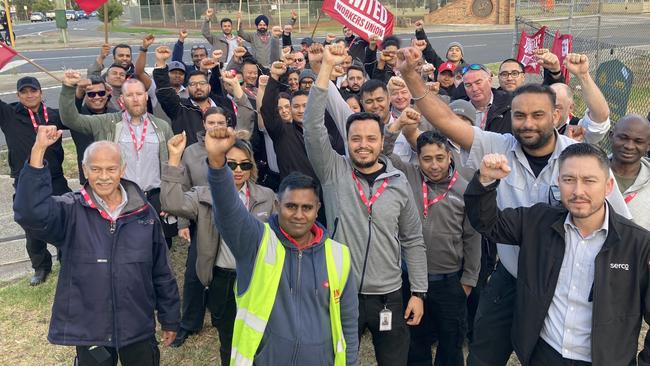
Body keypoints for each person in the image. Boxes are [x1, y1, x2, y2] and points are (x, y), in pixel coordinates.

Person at [396, 46, 630, 366]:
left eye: (538, 115)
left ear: (557, 116)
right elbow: (448, 121)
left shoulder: (577, 158)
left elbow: (623, 224)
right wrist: (411, 77)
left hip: (561, 281)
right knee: (483, 354)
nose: (527, 123)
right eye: (520, 115)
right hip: (510, 275)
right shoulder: (499, 147)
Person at [464, 145, 650, 366]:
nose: (578, 191)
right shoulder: (537, 222)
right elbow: (488, 223)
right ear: (558, 182)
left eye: (589, 180)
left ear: (608, 186)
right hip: (544, 355)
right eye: (569, 179)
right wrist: (485, 181)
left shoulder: (638, 244)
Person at [13, 128, 180, 366]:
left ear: (122, 170)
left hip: (137, 324)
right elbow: (30, 214)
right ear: (84, 170)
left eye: (111, 169)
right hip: (90, 328)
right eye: (96, 169)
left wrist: (170, 317)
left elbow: (161, 269)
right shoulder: (70, 210)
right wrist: (38, 150)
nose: (104, 176)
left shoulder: (144, 214)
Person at [305, 44, 427, 366]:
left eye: (371, 139)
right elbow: (313, 130)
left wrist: (418, 291)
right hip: (341, 293)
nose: (363, 145)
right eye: (355, 139)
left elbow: (413, 239)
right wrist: (325, 71)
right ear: (347, 142)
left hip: (389, 295)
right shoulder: (334, 172)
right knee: (341, 360)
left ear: (381, 141)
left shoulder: (398, 182)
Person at [205, 126, 359, 365]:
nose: (299, 214)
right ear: (277, 205)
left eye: (307, 208)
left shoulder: (339, 256)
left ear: (318, 209)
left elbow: (347, 323)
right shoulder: (257, 242)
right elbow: (228, 213)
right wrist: (217, 164)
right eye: (291, 206)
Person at [161, 131, 276, 363]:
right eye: (231, 164)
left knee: (260, 340)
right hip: (222, 279)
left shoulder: (266, 196)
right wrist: (174, 160)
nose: (238, 170)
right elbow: (171, 203)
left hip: (256, 279)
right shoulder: (205, 195)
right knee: (228, 340)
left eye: (244, 164)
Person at [384, 116, 481, 366]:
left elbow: (472, 237)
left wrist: (468, 281)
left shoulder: (464, 188)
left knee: (450, 345)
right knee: (415, 342)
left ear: (450, 156)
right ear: (418, 159)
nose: (434, 165)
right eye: (426, 159)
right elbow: (382, 154)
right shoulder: (408, 176)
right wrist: (395, 127)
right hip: (412, 279)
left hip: (449, 281)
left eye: (440, 158)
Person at [59, 70, 177, 248]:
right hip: (121, 198)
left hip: (154, 198)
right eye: (130, 95)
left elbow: (171, 165)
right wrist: (68, 88)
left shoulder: (161, 126)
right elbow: (70, 119)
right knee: (122, 247)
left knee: (158, 246)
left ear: (146, 96)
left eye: (139, 94)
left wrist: (169, 199)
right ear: (122, 99)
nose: (135, 99)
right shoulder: (106, 122)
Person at [0, 76, 71, 286]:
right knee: (32, 227)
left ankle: (66, 261)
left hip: (55, 178)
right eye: (24, 92)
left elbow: (75, 114)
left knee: (64, 220)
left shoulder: (54, 115)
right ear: (18, 95)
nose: (29, 95)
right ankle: (41, 267)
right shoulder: (8, 114)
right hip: (24, 180)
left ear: (41, 93)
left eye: (33, 91)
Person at [153, 45, 254, 145]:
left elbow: (245, 112)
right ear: (187, 88)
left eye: (202, 83)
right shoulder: (180, 108)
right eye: (193, 84)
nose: (198, 87)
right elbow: (165, 93)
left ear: (209, 87)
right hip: (194, 159)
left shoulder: (224, 104)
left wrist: (235, 84)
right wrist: (161, 63)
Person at [72, 77, 118, 184]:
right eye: (91, 94)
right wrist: (78, 92)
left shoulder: (115, 114)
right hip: (89, 177)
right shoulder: (77, 115)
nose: (97, 97)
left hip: (115, 175)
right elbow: (69, 110)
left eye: (101, 93)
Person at [609, 114, 650, 230]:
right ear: (611, 136)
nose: (629, 146)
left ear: (648, 146)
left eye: (638, 141)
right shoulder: (590, 172)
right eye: (623, 138)